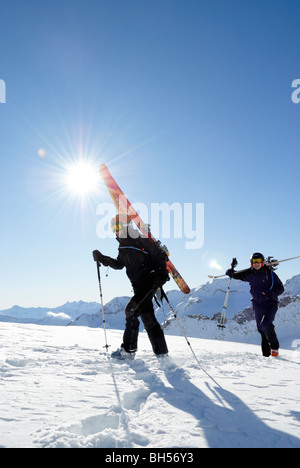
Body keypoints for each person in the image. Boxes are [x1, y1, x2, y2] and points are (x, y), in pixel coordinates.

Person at [93, 214, 170, 360]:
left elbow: (158, 256)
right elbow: (119, 264)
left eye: (116, 227)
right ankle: (162, 354)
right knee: (148, 319)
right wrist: (102, 258)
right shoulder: (122, 246)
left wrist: (161, 275)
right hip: (138, 287)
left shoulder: (141, 239)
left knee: (131, 310)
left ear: (126, 225)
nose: (114, 231)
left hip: (149, 284)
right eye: (112, 228)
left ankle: (128, 351)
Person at [226, 253, 284, 357]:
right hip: (257, 304)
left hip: (271, 303)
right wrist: (231, 273)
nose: (256, 264)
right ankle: (266, 355)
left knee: (266, 325)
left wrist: (271, 293)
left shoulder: (269, 273)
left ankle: (274, 348)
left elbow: (281, 288)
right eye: (254, 261)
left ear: (262, 262)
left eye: (258, 261)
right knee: (261, 328)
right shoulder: (250, 273)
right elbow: (238, 275)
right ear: (251, 263)